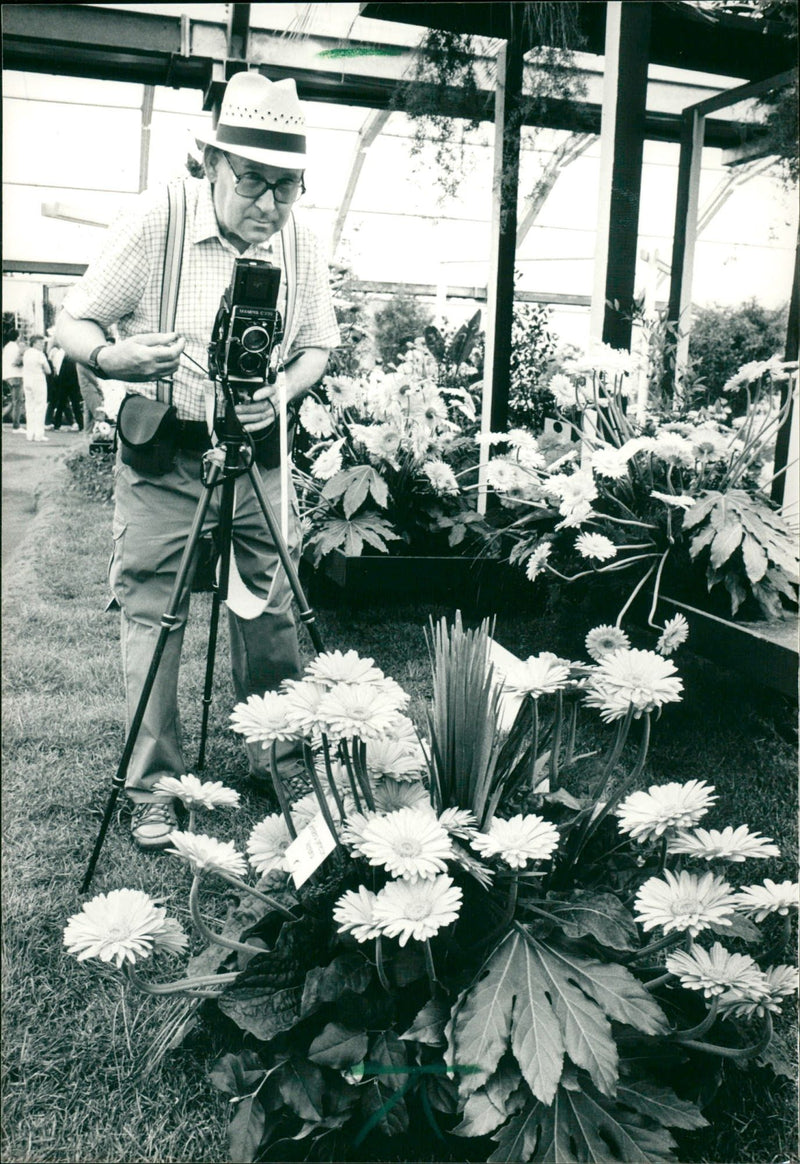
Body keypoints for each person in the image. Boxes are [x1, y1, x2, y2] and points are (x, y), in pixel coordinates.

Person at [55, 72, 340, 850]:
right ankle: (153, 788)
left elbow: (317, 342)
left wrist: (279, 386)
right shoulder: (158, 219)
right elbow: (73, 320)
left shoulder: (302, 240)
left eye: (288, 187)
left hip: (259, 453)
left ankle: (283, 766)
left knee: (271, 610)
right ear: (210, 162)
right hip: (166, 451)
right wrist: (113, 357)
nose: (269, 204)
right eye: (252, 180)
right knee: (152, 612)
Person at [22, 335, 51, 442]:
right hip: (38, 380)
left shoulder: (26, 353)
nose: (42, 345)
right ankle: (39, 434)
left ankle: (30, 434)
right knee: (40, 407)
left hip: (27, 380)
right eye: (40, 343)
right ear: (34, 343)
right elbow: (48, 370)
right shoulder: (40, 354)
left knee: (29, 407)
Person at [2, 330, 25, 431]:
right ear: (18, 337)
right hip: (16, 375)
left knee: (14, 401)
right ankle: (16, 426)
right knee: (17, 401)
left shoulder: (6, 347)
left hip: (8, 375)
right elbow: (17, 361)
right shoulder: (16, 348)